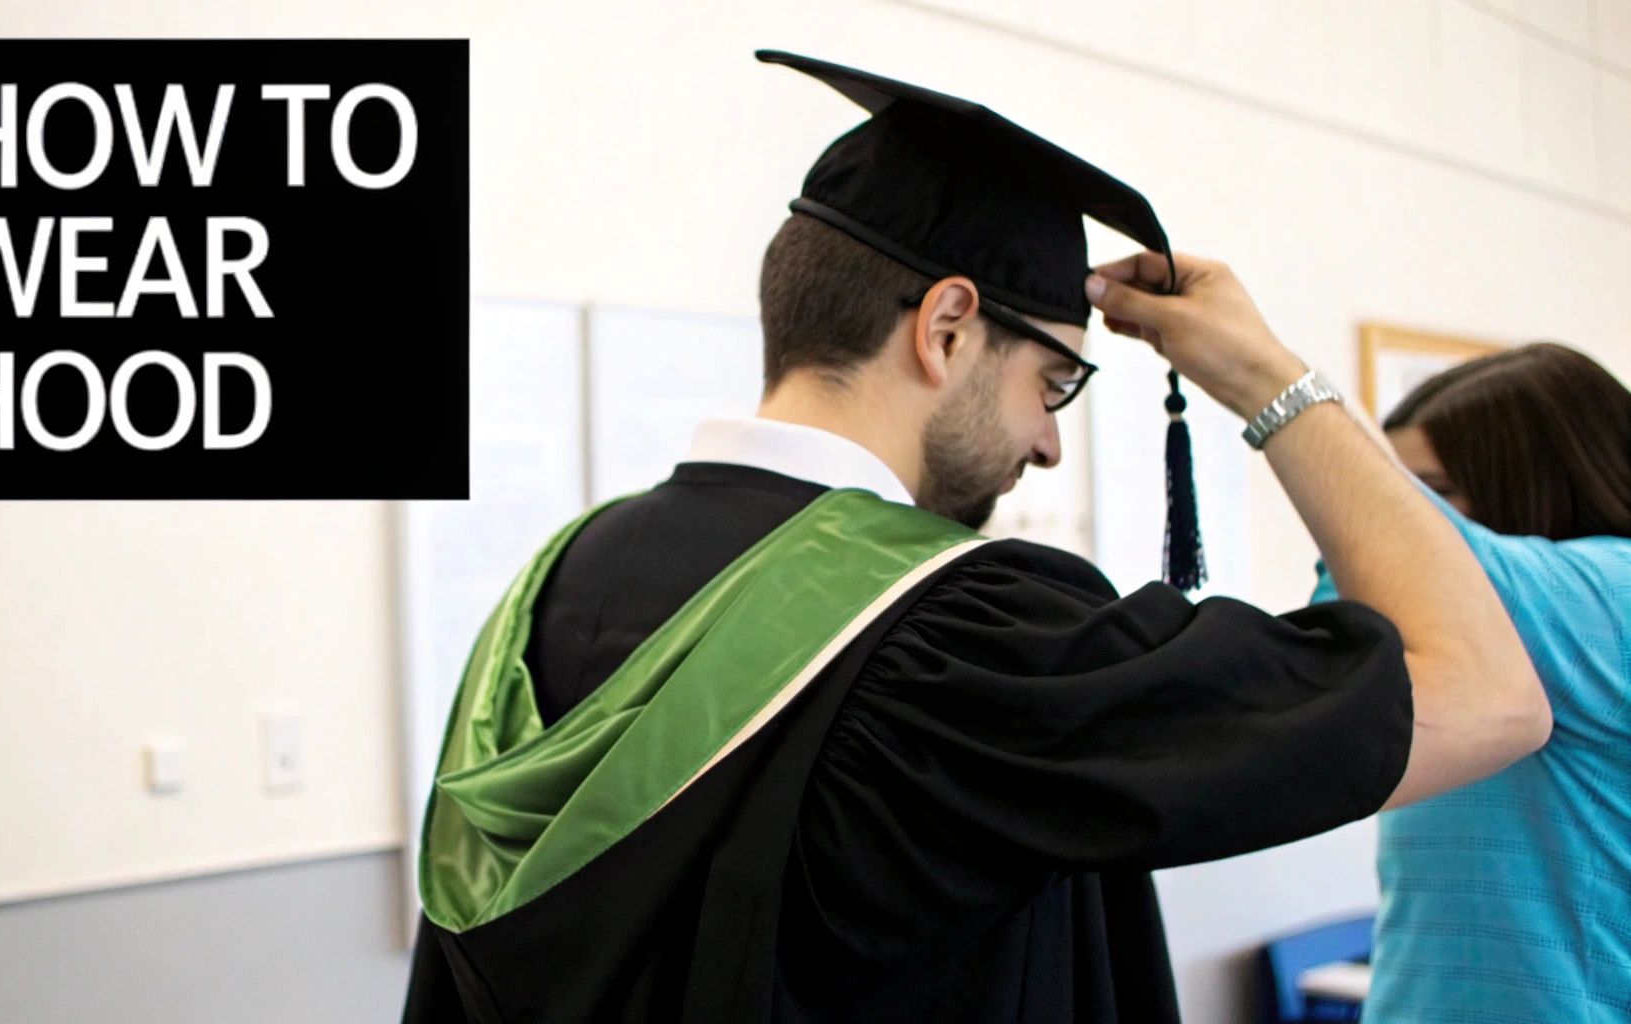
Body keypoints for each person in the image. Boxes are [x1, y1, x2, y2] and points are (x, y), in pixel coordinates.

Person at [402, 52, 1547, 1023]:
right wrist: (1264, 375)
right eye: (1052, 382)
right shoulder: (973, 633)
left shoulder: (549, 586)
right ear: (947, 325)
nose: (1047, 444)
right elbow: (1486, 691)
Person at [1312, 343, 1631, 1023]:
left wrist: (1264, 380)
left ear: (1536, 481)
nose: (1408, 521)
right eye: (1403, 490)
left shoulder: (1615, 591)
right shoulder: (1454, 645)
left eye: (1436, 494)